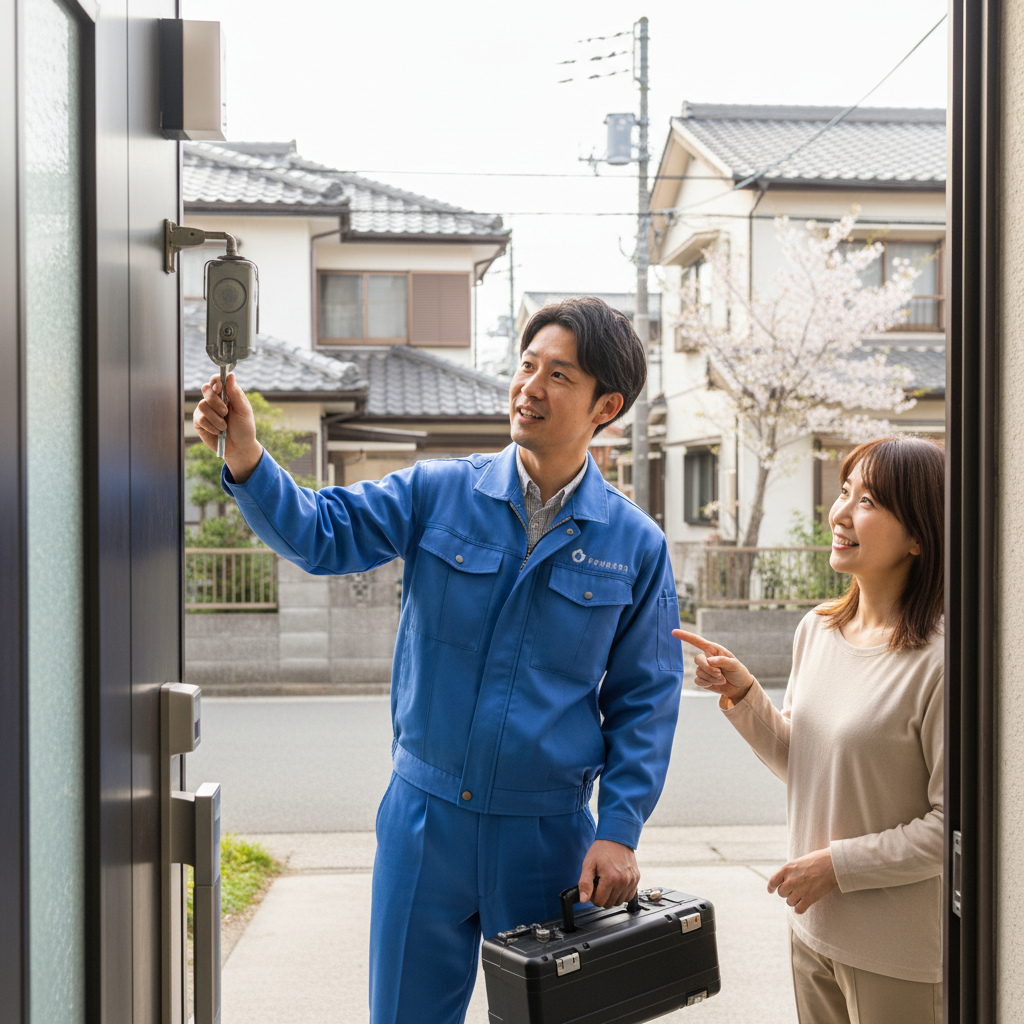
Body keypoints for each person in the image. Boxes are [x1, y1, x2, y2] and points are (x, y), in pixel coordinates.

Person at [193, 296, 685, 1024]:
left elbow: (646, 699)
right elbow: (322, 533)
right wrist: (245, 454)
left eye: (559, 375)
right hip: (423, 824)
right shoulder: (436, 492)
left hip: (546, 837)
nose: (530, 387)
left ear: (605, 405)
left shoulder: (634, 545)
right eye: (526, 366)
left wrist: (619, 829)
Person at [675, 436, 944, 1024]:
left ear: (919, 535)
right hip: (811, 929)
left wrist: (833, 867)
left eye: (868, 500)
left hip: (897, 954)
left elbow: (951, 829)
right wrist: (745, 695)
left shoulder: (940, 660)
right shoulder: (817, 630)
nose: (840, 513)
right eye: (844, 491)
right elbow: (806, 764)